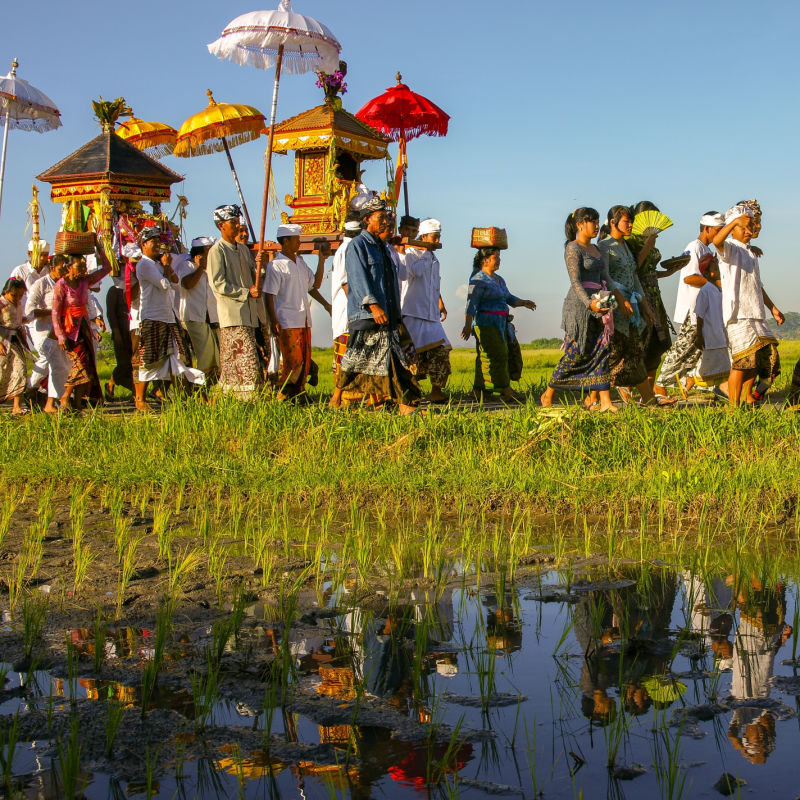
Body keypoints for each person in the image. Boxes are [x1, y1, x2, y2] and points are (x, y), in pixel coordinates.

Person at [334, 197, 421, 414]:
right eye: (380, 217)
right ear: (367, 220)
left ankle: (405, 404)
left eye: (386, 217)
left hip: (389, 315)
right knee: (355, 359)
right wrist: (373, 306)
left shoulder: (383, 247)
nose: (385, 221)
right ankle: (336, 398)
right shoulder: (357, 246)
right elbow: (358, 277)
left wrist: (393, 312)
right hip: (368, 315)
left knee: (395, 360)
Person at [541, 208, 629, 412]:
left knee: (602, 350)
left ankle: (606, 402)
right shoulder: (573, 248)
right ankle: (549, 394)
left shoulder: (596, 249)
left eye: (598, 222)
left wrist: (619, 299)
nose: (597, 226)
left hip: (602, 302)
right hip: (580, 306)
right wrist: (589, 303)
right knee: (575, 352)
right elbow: (575, 281)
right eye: (593, 222)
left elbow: (606, 277)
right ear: (580, 224)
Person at [598, 206, 671, 406]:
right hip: (615, 305)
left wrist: (645, 305)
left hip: (631, 305)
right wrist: (620, 300)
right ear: (613, 223)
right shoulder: (605, 247)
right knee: (612, 352)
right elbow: (605, 276)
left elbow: (634, 278)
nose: (630, 225)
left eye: (631, 221)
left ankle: (648, 399)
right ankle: (594, 397)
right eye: (626, 222)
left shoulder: (626, 247)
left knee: (634, 350)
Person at [712, 206, 783, 407]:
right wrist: (734, 223)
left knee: (759, 360)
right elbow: (716, 241)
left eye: (749, 227)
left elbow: (757, 285)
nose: (749, 232)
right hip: (739, 315)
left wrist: (772, 307)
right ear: (733, 228)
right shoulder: (730, 247)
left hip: (755, 313)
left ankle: (747, 394)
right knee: (742, 363)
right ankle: (734, 405)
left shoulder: (750, 252)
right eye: (744, 228)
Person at [655, 212, 725, 395]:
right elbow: (689, 277)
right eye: (718, 230)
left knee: (699, 350)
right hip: (693, 308)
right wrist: (716, 284)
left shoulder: (708, 250)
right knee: (683, 348)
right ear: (707, 228)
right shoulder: (694, 247)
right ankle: (660, 385)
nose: (720, 234)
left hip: (707, 310)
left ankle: (699, 383)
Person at [134, 230, 205, 411]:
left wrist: (167, 267)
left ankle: (187, 397)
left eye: (159, 241)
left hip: (168, 316)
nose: (158, 245)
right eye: (153, 242)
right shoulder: (145, 264)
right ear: (144, 245)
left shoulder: (158, 264)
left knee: (177, 357)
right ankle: (140, 399)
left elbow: (174, 283)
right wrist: (166, 267)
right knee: (149, 358)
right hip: (153, 317)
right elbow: (165, 284)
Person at [263, 224, 331, 402]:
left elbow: (314, 286)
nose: (299, 243)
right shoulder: (276, 266)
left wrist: (321, 261)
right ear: (286, 241)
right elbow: (269, 295)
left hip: (304, 319)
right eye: (296, 239)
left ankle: (298, 393)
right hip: (287, 320)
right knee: (293, 361)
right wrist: (273, 320)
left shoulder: (300, 263)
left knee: (304, 359)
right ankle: (283, 395)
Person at [207, 204, 268, 400]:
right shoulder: (217, 251)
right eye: (232, 223)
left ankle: (237, 400)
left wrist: (261, 264)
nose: (236, 227)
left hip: (249, 315)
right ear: (221, 226)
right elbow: (218, 284)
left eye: (237, 222)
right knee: (245, 361)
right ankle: (243, 400)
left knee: (248, 361)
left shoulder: (242, 249)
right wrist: (246, 292)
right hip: (232, 316)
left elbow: (254, 276)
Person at [461, 246, 536, 402]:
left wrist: (524, 303)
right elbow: (471, 304)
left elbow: (508, 297)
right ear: (486, 260)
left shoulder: (499, 279)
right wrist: (468, 325)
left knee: (487, 356)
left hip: (501, 324)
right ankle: (505, 389)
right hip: (485, 324)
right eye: (496, 257)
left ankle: (479, 391)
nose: (499, 260)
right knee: (498, 355)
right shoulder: (478, 279)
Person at [52, 245, 112, 411]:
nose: (83, 270)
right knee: (81, 364)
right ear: (69, 267)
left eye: (84, 267)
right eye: (79, 267)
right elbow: (55, 312)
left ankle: (77, 404)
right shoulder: (61, 285)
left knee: (89, 366)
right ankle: (65, 397)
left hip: (84, 327)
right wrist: (60, 335)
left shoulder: (85, 281)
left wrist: (100, 248)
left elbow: (107, 268)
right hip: (70, 330)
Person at [401, 218, 451, 403]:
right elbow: (416, 272)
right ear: (424, 236)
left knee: (441, 351)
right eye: (434, 237)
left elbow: (433, 283)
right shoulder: (410, 253)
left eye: (438, 237)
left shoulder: (433, 256)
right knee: (413, 357)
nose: (437, 241)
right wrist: (426, 253)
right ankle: (410, 393)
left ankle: (436, 391)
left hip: (431, 315)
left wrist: (440, 302)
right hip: (413, 313)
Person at [626, 202, 676, 390]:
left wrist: (669, 272)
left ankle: (649, 392)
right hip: (639, 296)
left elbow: (650, 272)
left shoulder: (648, 240)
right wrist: (647, 246)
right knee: (641, 343)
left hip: (655, 296)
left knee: (657, 342)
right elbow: (632, 270)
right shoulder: (631, 242)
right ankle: (629, 389)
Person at [25, 254, 71, 413]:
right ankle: (47, 399)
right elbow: (29, 311)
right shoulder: (41, 284)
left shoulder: (66, 284)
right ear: (52, 268)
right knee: (52, 362)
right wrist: (52, 312)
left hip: (63, 329)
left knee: (64, 365)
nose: (64, 270)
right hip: (43, 330)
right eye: (61, 268)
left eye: (66, 267)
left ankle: (38, 391)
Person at [174, 236, 220, 381]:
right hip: (194, 316)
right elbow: (187, 284)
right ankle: (199, 389)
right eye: (208, 251)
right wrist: (200, 267)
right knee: (205, 355)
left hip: (211, 316)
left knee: (216, 356)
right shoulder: (186, 266)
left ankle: (210, 386)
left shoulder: (212, 266)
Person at [329, 219, 363, 409]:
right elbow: (345, 282)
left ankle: (349, 398)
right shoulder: (347, 249)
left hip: (352, 310)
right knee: (347, 356)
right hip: (349, 310)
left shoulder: (349, 247)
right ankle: (341, 398)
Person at [692, 256, 731, 395]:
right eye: (714, 270)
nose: (718, 272)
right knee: (713, 368)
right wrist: (699, 335)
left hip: (721, 335)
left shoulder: (719, 290)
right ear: (707, 274)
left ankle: (722, 390)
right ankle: (719, 390)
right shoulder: (705, 290)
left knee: (723, 368)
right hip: (712, 336)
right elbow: (699, 315)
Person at [105, 244, 138, 401]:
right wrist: (116, 332)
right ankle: (112, 382)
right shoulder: (114, 291)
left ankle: (134, 392)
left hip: (132, 329)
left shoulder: (135, 287)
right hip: (120, 332)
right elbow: (111, 314)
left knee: (134, 361)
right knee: (124, 362)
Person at [0, 278, 31, 414]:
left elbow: (18, 321)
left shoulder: (18, 304)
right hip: (3, 340)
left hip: (15, 341)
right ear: (7, 291)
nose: (17, 298)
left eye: (20, 295)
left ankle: (16, 406)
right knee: (2, 373)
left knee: (21, 370)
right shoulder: (1, 303)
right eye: (14, 295)